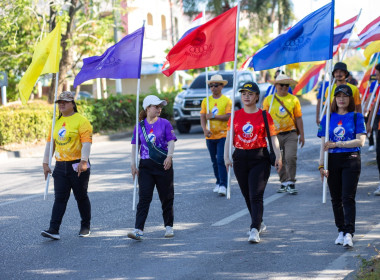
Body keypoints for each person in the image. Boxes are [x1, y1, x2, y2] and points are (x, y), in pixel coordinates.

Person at [224, 82, 282, 243]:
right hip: (240, 158)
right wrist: (226, 158)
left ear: (257, 96)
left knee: (256, 195)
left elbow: (273, 137)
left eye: (250, 94)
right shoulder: (235, 116)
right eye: (244, 93)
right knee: (247, 195)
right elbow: (229, 139)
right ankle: (259, 222)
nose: (246, 96)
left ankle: (254, 228)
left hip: (259, 158)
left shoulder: (264, 115)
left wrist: (278, 156)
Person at [318, 84, 366, 248]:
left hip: (351, 158)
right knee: (336, 198)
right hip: (332, 160)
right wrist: (321, 165)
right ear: (334, 99)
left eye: (345, 96)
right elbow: (323, 144)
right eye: (338, 96)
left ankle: (349, 233)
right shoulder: (327, 118)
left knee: (348, 197)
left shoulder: (357, 117)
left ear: (350, 99)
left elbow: (361, 141)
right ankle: (341, 230)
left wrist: (338, 144)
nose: (341, 99)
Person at [41, 91, 93, 240]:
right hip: (60, 165)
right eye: (59, 102)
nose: (61, 104)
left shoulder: (81, 121)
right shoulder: (55, 122)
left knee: (81, 196)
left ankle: (85, 226)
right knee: (59, 199)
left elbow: (86, 143)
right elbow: (50, 143)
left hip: (77, 165)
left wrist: (84, 161)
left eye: (65, 102)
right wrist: (45, 162)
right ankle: (54, 229)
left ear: (72, 104)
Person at [128, 95, 177, 241]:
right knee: (144, 198)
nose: (159, 109)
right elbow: (135, 146)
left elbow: (171, 141)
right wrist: (133, 164)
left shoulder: (165, 123)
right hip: (146, 166)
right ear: (147, 108)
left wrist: (170, 156)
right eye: (156, 106)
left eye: (160, 106)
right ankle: (138, 229)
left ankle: (169, 226)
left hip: (163, 164)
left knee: (166, 196)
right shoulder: (139, 126)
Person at [262, 74, 305, 194]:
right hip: (274, 135)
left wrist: (302, 134)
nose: (284, 87)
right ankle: (283, 181)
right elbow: (263, 118)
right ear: (276, 85)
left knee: (290, 157)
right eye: (281, 85)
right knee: (278, 158)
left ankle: (291, 182)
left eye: (287, 85)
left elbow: (299, 118)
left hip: (291, 133)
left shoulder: (294, 99)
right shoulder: (268, 100)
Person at [200, 74, 232, 196]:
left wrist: (214, 116)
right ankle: (218, 182)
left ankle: (224, 184)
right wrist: (204, 129)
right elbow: (202, 116)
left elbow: (229, 116)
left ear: (222, 86)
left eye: (216, 85)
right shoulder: (206, 101)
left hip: (223, 135)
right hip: (210, 135)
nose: (213, 87)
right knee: (214, 161)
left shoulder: (227, 100)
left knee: (220, 159)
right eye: (211, 85)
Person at [366, 63, 380, 195]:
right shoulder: (378, 88)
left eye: (377, 74)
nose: (376, 77)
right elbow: (374, 106)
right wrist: (369, 123)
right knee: (379, 154)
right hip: (379, 125)